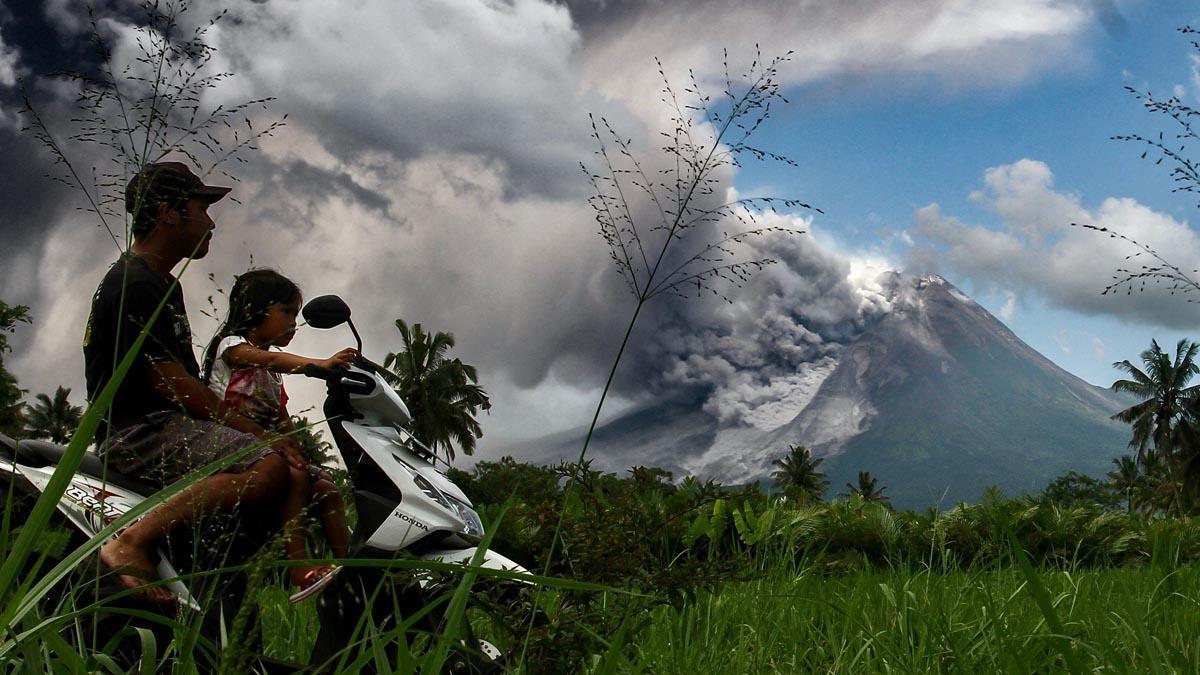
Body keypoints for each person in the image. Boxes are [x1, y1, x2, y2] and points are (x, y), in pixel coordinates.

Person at [85, 162, 304, 602]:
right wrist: (258, 434)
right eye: (201, 208)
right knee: (267, 464)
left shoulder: (162, 282)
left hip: (168, 428)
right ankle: (131, 541)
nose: (211, 221)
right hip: (140, 433)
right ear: (167, 212)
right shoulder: (135, 281)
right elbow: (175, 384)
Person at [202, 269, 355, 596]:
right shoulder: (233, 346)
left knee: (326, 486)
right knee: (296, 479)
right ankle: (300, 569)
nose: (293, 322)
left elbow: (280, 414)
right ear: (252, 310)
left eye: (295, 314)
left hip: (263, 447)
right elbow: (270, 359)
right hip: (225, 441)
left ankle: (354, 569)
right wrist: (318, 365)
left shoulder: (272, 374)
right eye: (286, 312)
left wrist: (298, 451)